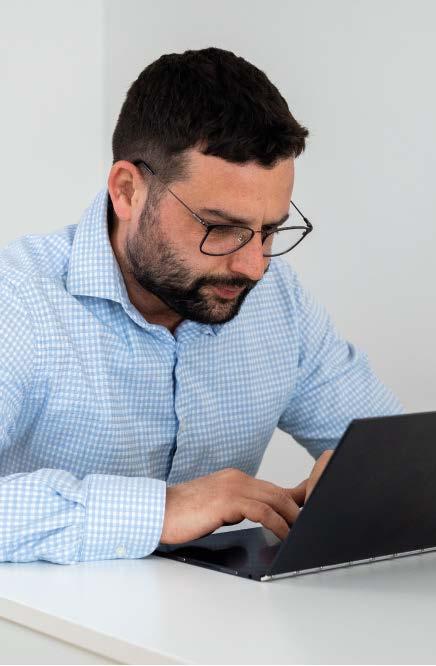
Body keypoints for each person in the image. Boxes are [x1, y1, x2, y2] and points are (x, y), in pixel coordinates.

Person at [0, 47, 404, 564]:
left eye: (270, 231)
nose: (253, 266)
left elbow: (407, 454)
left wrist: (376, 477)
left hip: (215, 613)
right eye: (221, 228)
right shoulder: (18, 302)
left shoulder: (277, 300)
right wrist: (163, 510)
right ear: (127, 191)